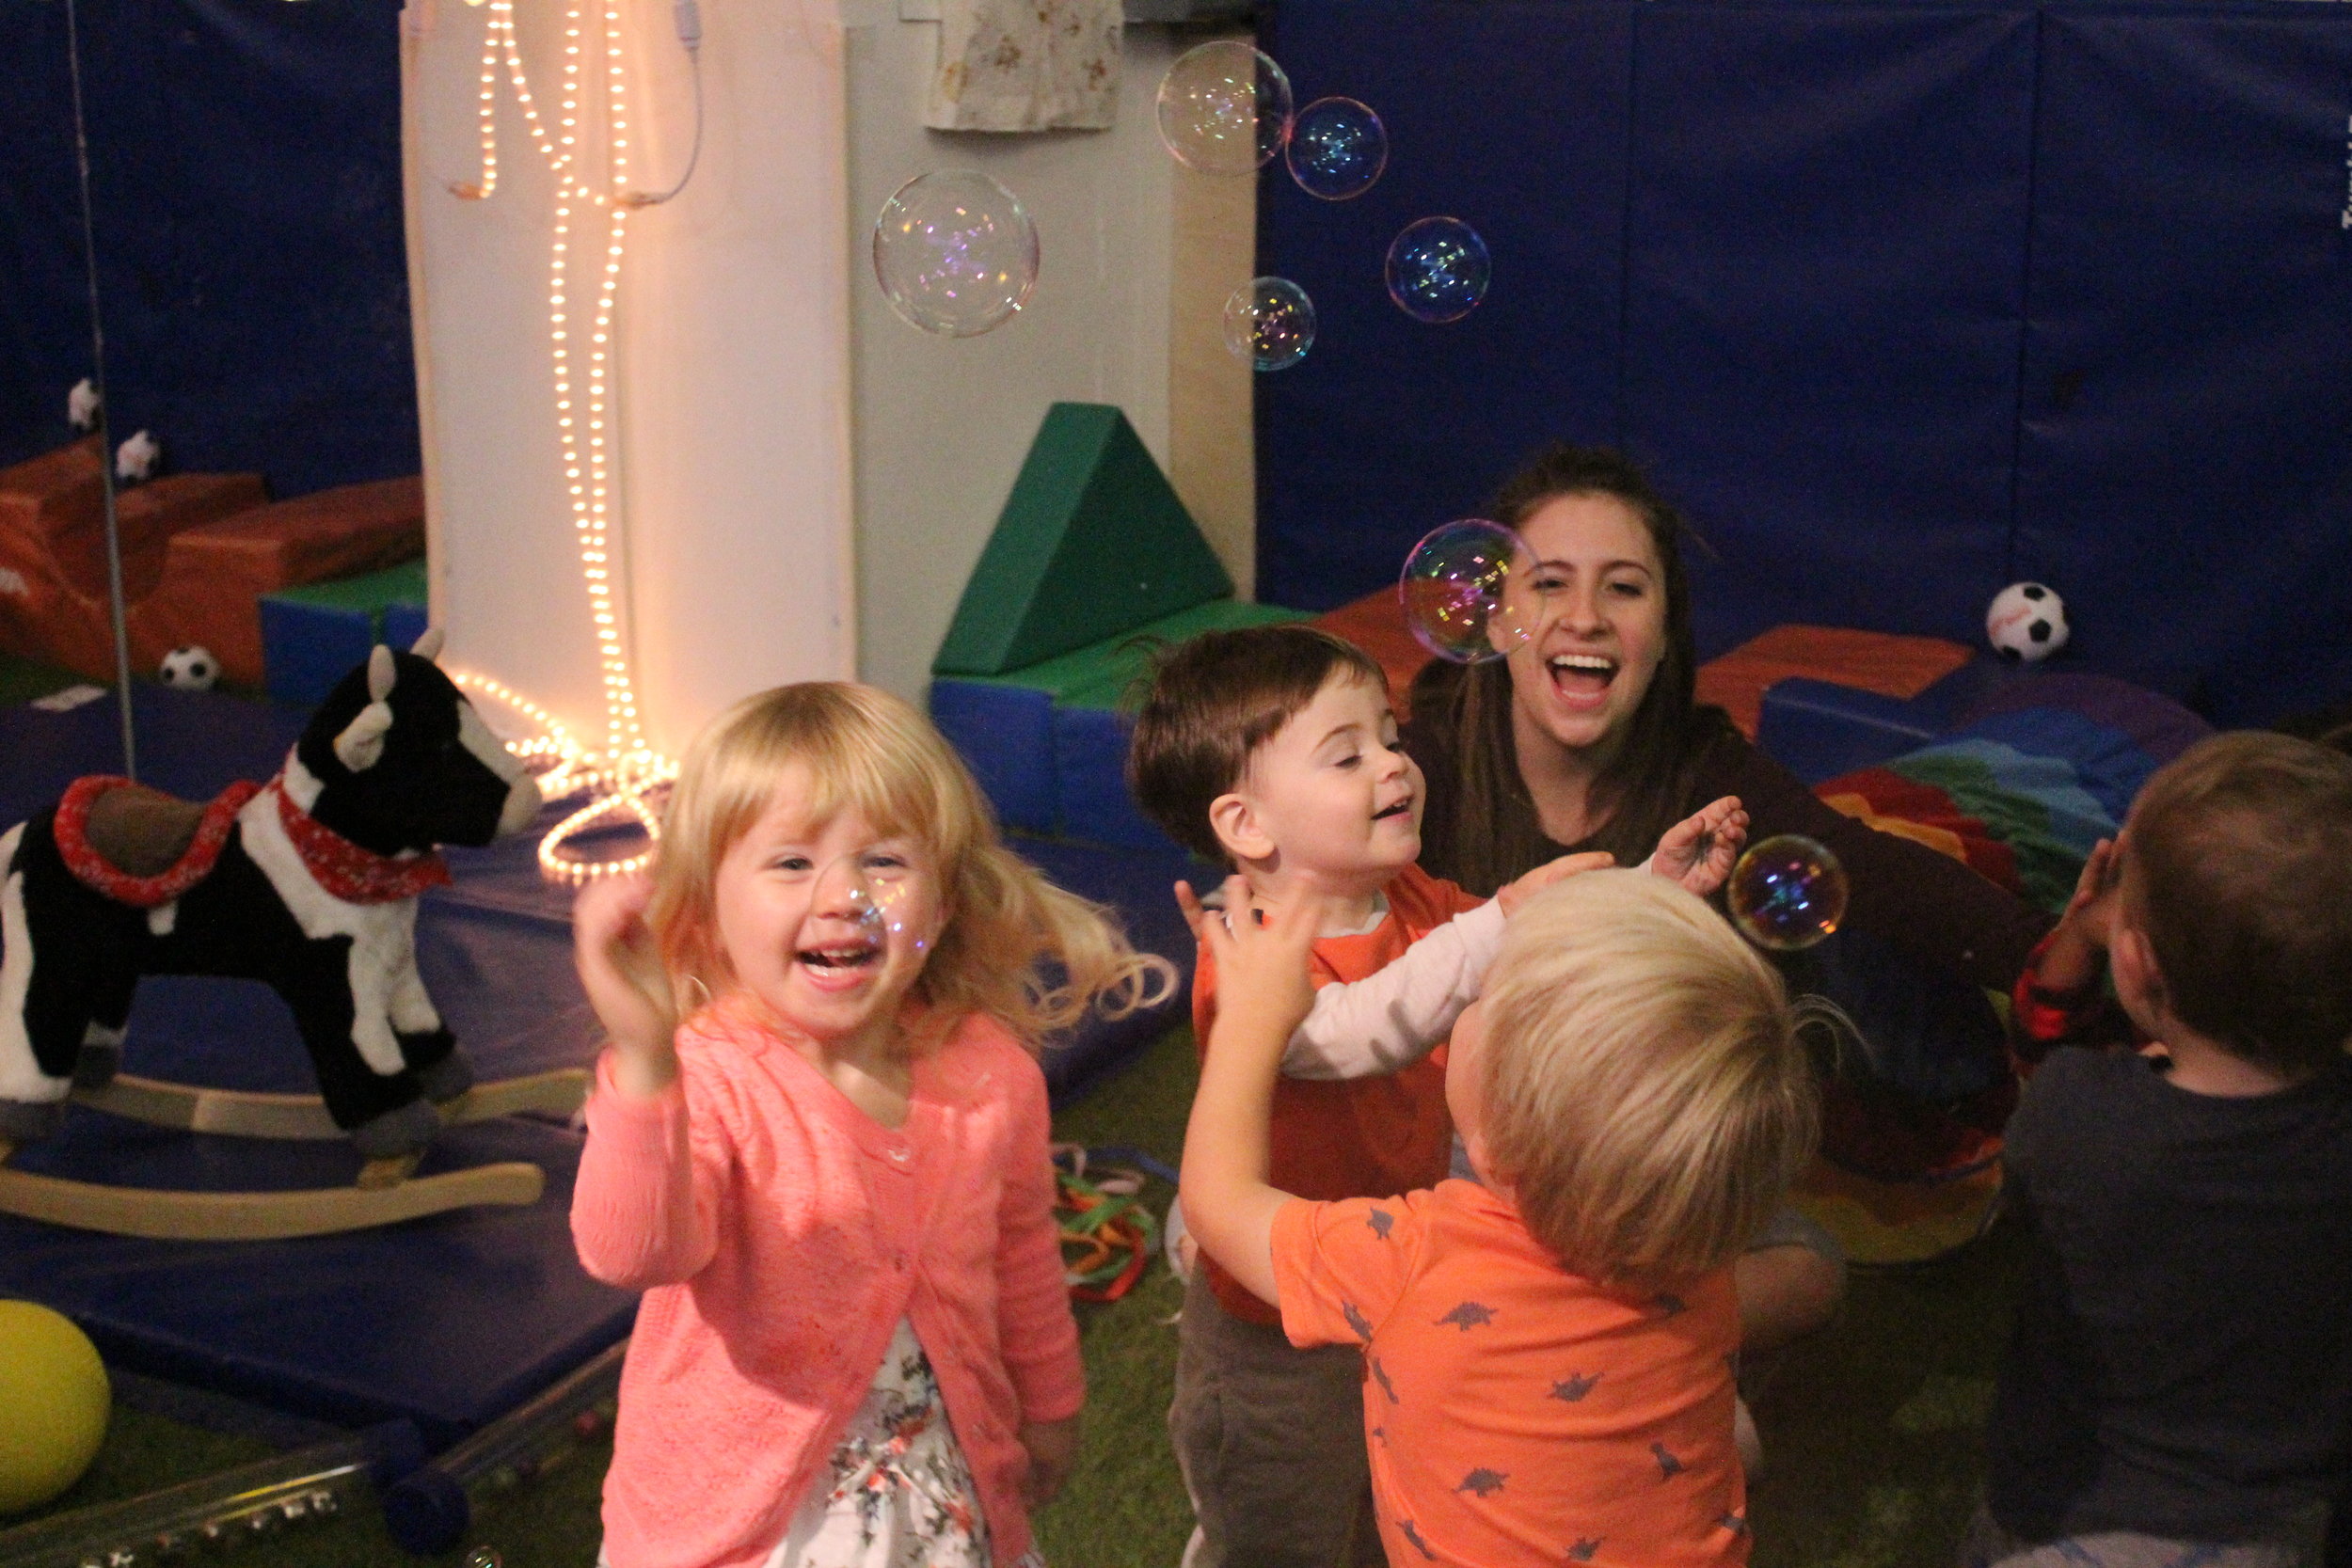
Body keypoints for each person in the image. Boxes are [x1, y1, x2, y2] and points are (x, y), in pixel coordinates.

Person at [1406, 442, 2053, 1345]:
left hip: (1630, 1165)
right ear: (1494, 615)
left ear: (1664, 632)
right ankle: (1565, 1332)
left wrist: (2051, 953)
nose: (1585, 617)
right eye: (1549, 583)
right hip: (1449, 1146)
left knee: (1807, 1270)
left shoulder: (1703, 771)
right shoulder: (1418, 770)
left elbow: (1877, 872)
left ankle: (1574, 1339)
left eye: (1624, 588)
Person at [1126, 624, 1743, 1568]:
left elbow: (1509, 958)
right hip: (1272, 1317)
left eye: (1387, 736)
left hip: (1394, 1270)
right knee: (1277, 1511)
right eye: (1347, 753)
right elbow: (1359, 1027)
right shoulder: (1245, 949)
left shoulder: (1403, 891)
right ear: (1246, 825)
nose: (1393, 765)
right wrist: (1500, 917)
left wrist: (1640, 891)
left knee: (1380, 1482)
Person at [568, 682, 1171, 1568]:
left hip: (936, 1493)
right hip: (739, 1522)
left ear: (945, 901)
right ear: (706, 913)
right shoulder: (707, 1074)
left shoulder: (990, 1072)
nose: (844, 894)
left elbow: (1021, 1253)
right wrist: (646, 1058)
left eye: (884, 861)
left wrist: (1050, 1406)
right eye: (789, 864)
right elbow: (634, 1254)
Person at [1179, 868, 1820, 1567]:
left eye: (1488, 996)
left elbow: (1216, 1200)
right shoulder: (1697, 1248)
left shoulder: (1415, 1259)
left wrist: (1248, 1023)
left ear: (1490, 1146)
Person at [1967, 732, 2352, 1568]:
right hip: (2279, 1517)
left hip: (2064, 1504)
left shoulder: (2081, 1115)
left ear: (2134, 963)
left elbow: (2036, 1052)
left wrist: (2074, 937)